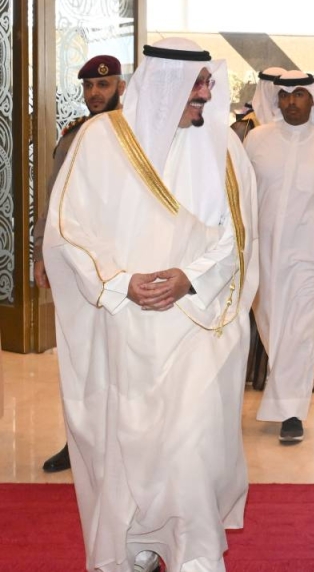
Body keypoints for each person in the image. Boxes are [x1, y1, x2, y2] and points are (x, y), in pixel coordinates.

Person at [42, 38, 258, 571]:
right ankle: (137, 545)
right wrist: (120, 283)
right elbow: (68, 228)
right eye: (196, 84)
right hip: (125, 327)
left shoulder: (225, 149)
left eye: (208, 82)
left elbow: (239, 236)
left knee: (191, 444)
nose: (205, 93)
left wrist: (190, 278)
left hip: (198, 326)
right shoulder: (99, 140)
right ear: (163, 83)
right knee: (129, 446)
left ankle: (195, 554)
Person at [246, 70, 314, 442]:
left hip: (310, 257)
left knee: (300, 330)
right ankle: (291, 393)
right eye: (285, 95)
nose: (291, 102)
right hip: (262, 258)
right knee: (273, 328)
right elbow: (241, 199)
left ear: (313, 99)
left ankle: (291, 413)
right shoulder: (256, 141)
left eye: (300, 94)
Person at [34, 54, 126, 473]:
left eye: (103, 85)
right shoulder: (72, 136)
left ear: (120, 87)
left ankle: (122, 445)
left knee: (120, 359)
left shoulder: (136, 135)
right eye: (88, 86)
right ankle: (78, 443)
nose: (94, 94)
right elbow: (52, 200)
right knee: (79, 358)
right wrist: (40, 252)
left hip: (121, 267)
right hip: (75, 265)